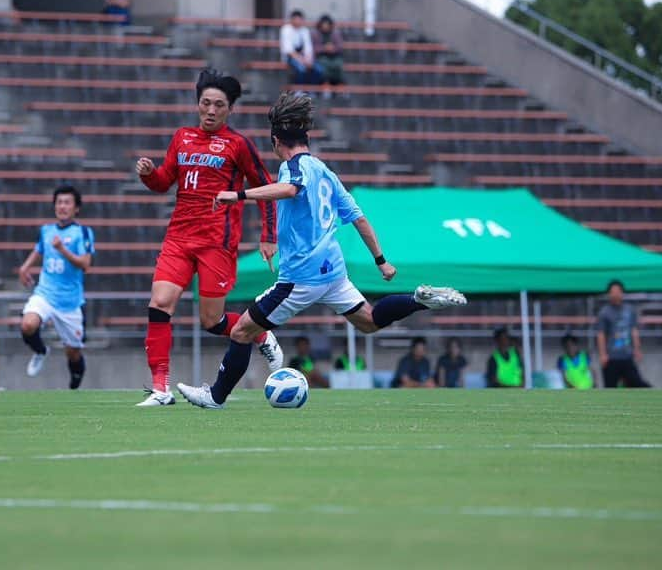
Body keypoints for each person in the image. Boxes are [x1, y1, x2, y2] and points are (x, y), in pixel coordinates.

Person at [177, 92, 466, 408]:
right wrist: (381, 261)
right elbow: (359, 218)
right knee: (368, 320)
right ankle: (416, 299)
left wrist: (240, 194)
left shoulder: (293, 167)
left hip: (302, 277)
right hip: (334, 272)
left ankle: (216, 396)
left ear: (276, 141)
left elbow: (289, 189)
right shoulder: (326, 172)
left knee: (243, 331)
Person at [133, 69, 282, 406]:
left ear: (230, 109)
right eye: (205, 103)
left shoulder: (238, 144)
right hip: (178, 238)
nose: (211, 110)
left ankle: (258, 333)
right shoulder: (182, 137)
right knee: (159, 304)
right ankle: (160, 388)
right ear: (198, 105)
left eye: (218, 105)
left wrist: (269, 235)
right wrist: (148, 175)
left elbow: (264, 188)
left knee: (211, 321)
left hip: (217, 242)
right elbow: (163, 182)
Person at [16, 185, 95, 389]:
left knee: (73, 353)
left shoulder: (83, 232)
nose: (62, 206)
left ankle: (74, 386)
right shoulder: (46, 230)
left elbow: (85, 264)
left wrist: (62, 250)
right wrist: (25, 267)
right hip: (45, 293)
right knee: (27, 325)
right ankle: (40, 351)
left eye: (67, 202)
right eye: (59, 202)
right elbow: (39, 250)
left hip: (70, 302)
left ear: (76, 208)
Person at [595, 280, 651, 388]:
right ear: (609, 294)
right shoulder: (604, 312)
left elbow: (634, 331)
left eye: (618, 291)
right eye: (613, 292)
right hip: (611, 358)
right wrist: (603, 355)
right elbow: (601, 334)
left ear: (622, 293)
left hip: (627, 356)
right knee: (610, 387)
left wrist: (637, 349)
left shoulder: (629, 310)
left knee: (637, 384)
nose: (615, 294)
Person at [279, 10, 323, 85]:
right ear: (291, 19)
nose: (298, 21)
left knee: (319, 69)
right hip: (290, 58)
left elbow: (308, 48)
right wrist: (302, 60)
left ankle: (311, 90)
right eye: (296, 19)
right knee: (301, 69)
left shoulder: (304, 30)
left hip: (304, 58)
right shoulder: (286, 29)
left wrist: (309, 60)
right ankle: (299, 90)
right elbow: (288, 50)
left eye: (300, 19)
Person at [312, 14, 345, 86]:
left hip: (335, 56)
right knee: (324, 64)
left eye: (327, 24)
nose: (325, 26)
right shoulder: (316, 34)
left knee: (338, 64)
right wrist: (324, 48)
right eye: (323, 24)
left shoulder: (335, 33)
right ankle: (326, 84)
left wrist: (332, 48)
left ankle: (339, 85)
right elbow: (314, 48)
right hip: (321, 56)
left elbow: (340, 46)